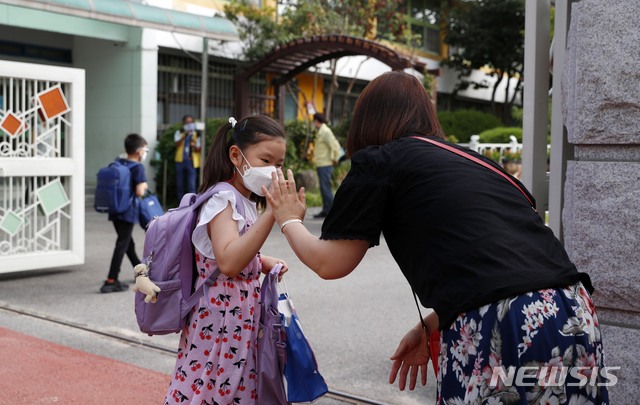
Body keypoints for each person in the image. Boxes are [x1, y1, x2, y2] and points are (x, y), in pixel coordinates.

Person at [264, 71, 609, 404]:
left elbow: (330, 262)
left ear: (367, 119)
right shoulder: (477, 162)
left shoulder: (381, 161)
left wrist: (289, 219)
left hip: (507, 324)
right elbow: (507, 258)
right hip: (573, 311)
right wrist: (434, 321)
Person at [159, 115, 289, 404]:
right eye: (266, 160)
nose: (273, 171)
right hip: (220, 320)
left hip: (237, 316)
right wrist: (272, 213)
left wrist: (262, 261)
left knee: (231, 384)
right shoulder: (223, 199)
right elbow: (228, 262)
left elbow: (228, 252)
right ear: (236, 155)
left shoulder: (242, 199)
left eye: (278, 164)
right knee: (212, 386)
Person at [100, 133, 149, 293]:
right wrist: (145, 186)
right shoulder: (138, 167)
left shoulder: (118, 162)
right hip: (128, 211)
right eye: (145, 150)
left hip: (115, 209)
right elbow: (140, 191)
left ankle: (141, 274)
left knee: (127, 243)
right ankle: (111, 279)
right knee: (122, 243)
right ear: (139, 151)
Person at [312, 112, 341, 218]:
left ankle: (334, 211)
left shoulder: (325, 131)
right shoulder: (321, 131)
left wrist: (334, 159)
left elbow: (334, 145)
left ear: (316, 121)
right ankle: (326, 210)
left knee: (326, 188)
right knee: (324, 189)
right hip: (321, 163)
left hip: (326, 163)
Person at [174, 114, 202, 201]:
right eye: (186, 122)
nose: (188, 124)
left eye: (190, 122)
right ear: (183, 123)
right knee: (180, 184)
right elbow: (177, 144)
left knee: (191, 185)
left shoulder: (197, 134)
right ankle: (180, 205)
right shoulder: (179, 132)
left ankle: (192, 205)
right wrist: (185, 136)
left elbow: (199, 149)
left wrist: (194, 144)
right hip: (180, 161)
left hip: (191, 162)